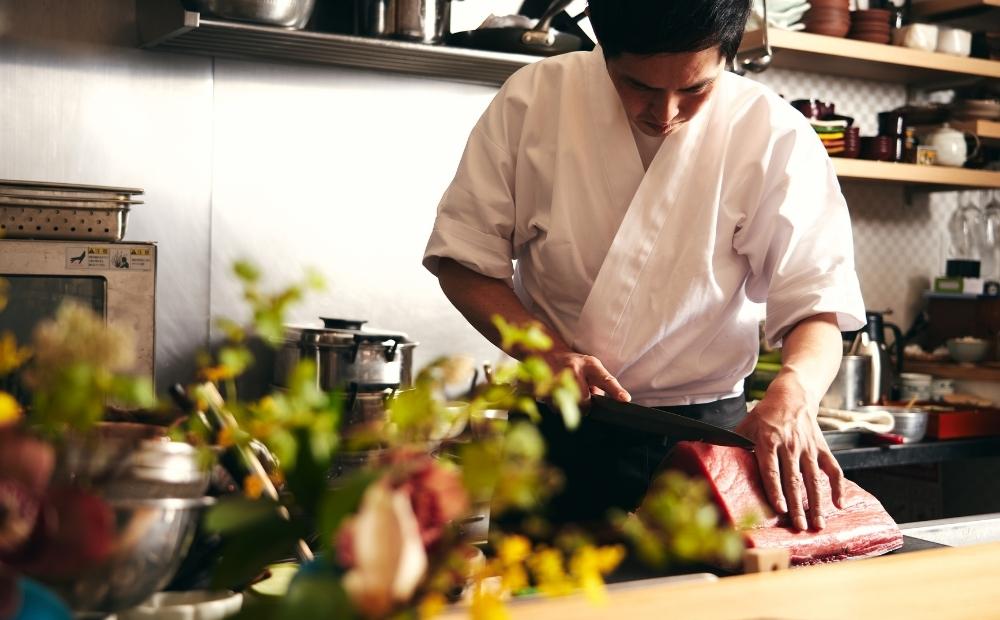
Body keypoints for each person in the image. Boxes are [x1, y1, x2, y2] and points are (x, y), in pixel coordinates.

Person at [423, 0, 866, 532]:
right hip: (557, 431)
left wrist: (796, 389)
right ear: (604, 49)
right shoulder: (534, 100)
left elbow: (819, 305)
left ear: (727, 55)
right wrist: (547, 352)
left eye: (694, 89)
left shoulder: (774, 133)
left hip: (709, 440)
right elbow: (463, 259)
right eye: (638, 86)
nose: (665, 113)